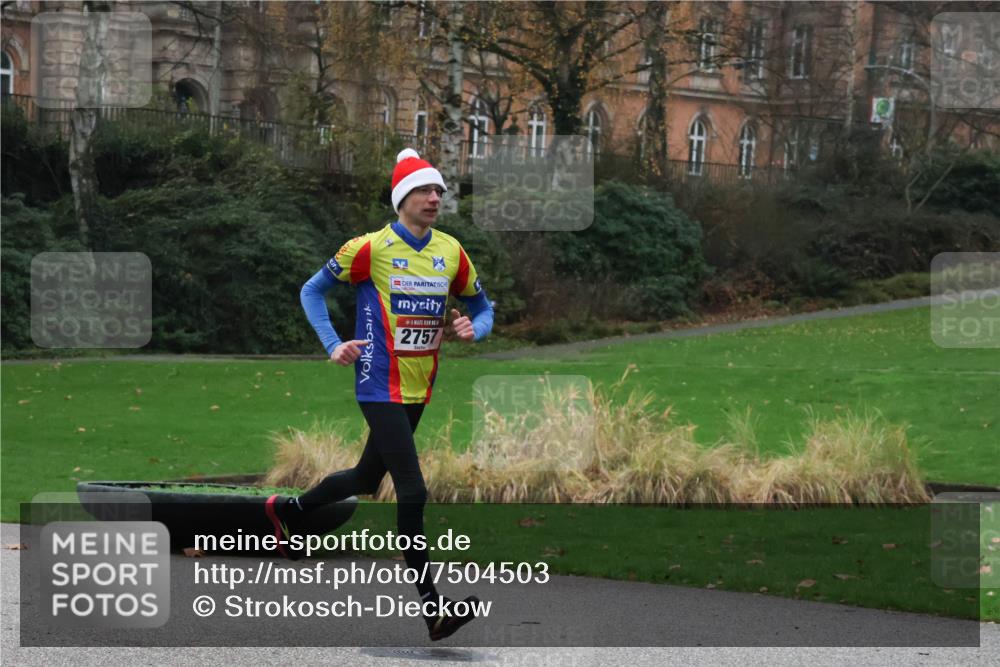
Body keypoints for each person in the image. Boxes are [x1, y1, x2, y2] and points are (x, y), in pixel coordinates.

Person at [265, 148, 494, 642]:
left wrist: (472, 327)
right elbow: (311, 290)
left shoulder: (451, 251)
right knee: (412, 490)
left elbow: (482, 306)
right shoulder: (369, 248)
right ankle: (433, 609)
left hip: (419, 385)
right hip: (377, 380)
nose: (435, 197)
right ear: (401, 200)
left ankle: (288, 515)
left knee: (366, 476)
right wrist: (333, 343)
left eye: (438, 190)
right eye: (424, 191)